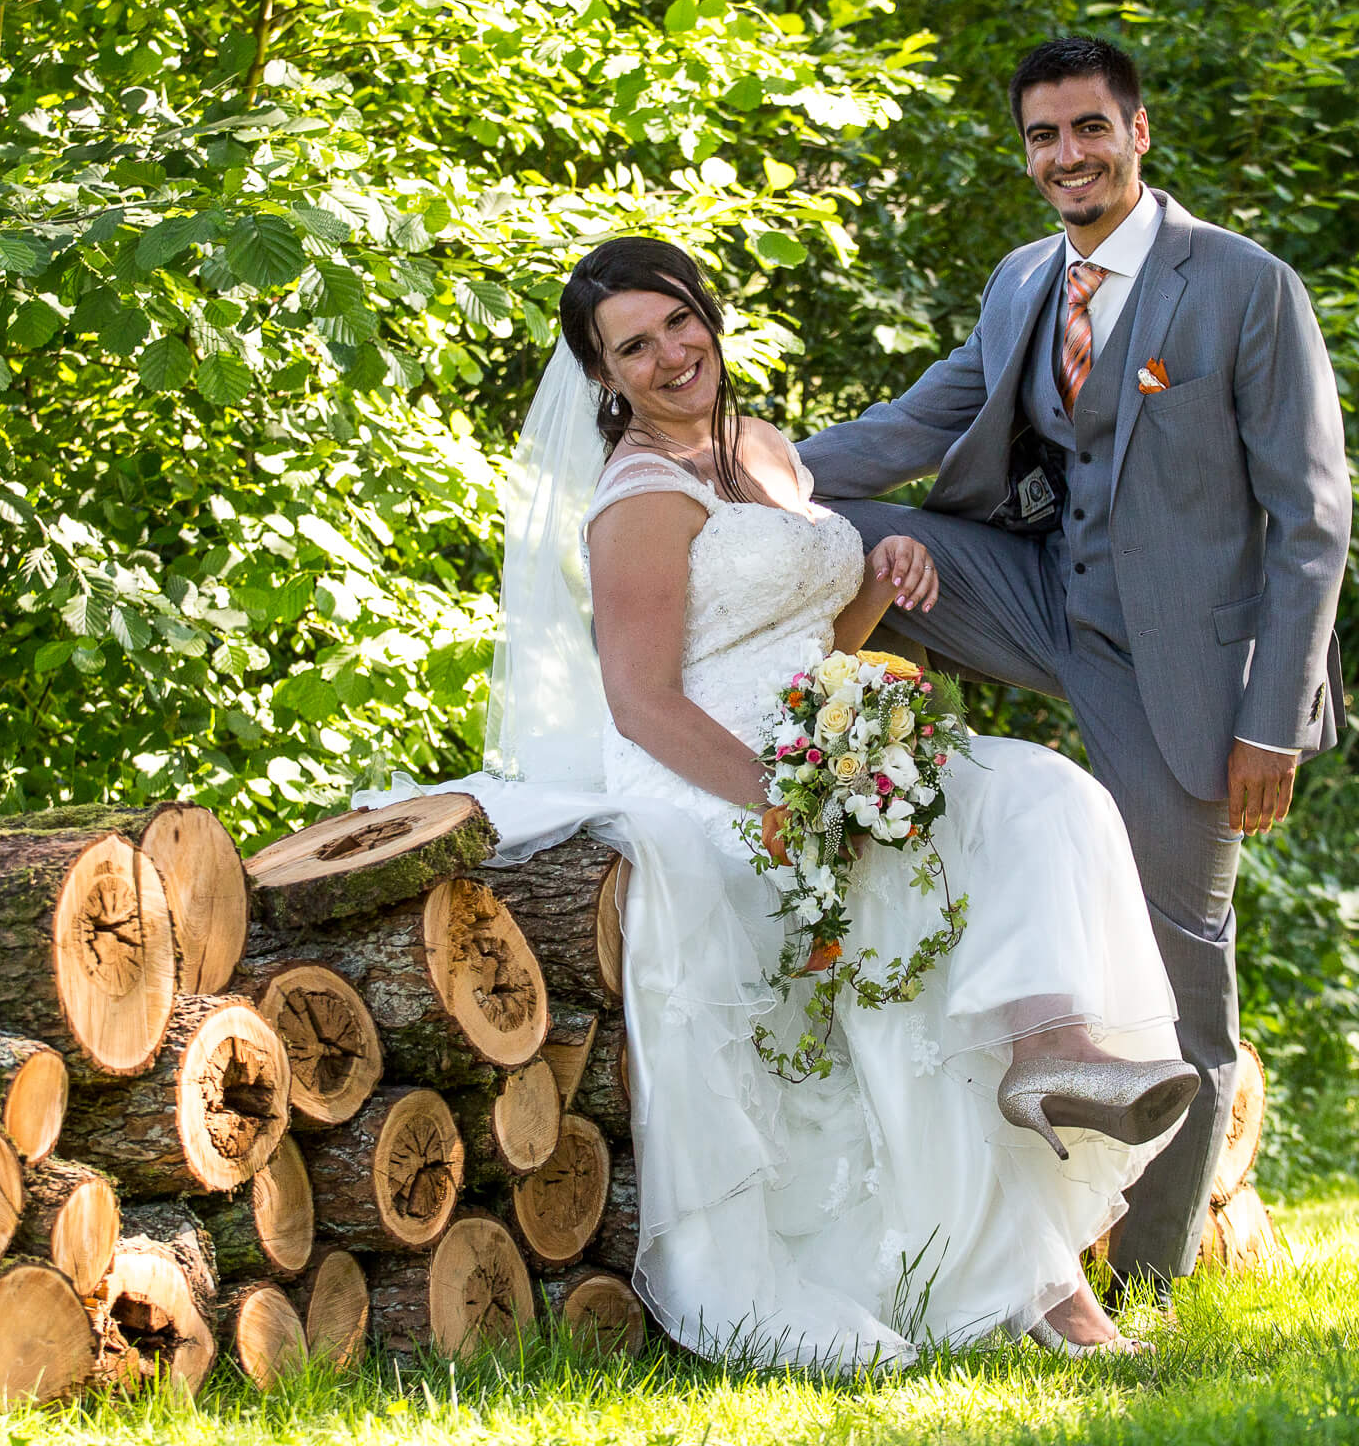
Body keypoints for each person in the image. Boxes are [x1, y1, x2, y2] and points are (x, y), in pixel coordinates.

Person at [376, 235, 1196, 1366]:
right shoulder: (638, 503)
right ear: (604, 377)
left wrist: (880, 578)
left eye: (678, 323)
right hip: (712, 781)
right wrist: (782, 803)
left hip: (827, 752)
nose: (669, 356)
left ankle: (1054, 1051)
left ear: (707, 315)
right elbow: (643, 703)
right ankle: (1031, 1282)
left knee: (1042, 790)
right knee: (908, 894)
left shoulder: (761, 450)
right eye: (634, 347)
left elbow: (809, 633)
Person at [796, 35, 1352, 1311]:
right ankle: (882, 769)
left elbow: (1314, 520)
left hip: (1195, 677)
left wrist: (1273, 723)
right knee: (863, 542)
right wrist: (737, 476)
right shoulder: (1020, 285)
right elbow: (924, 422)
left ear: (1138, 134)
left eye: (1089, 129)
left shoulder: (1244, 286)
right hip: (1045, 601)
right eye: (1045, 137)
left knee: (1182, 963)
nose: (1067, 157)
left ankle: (1150, 1269)